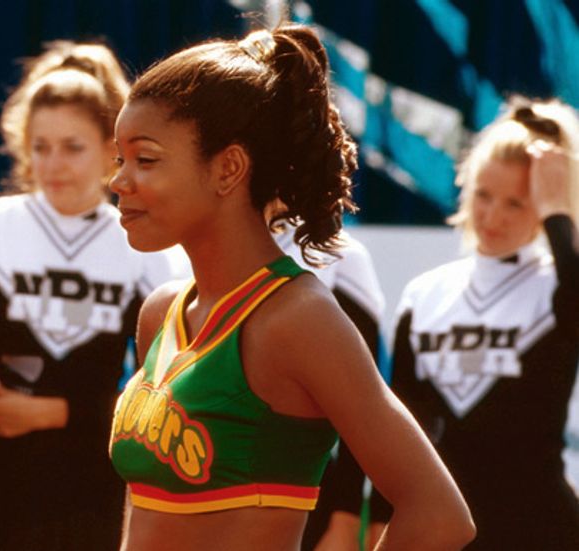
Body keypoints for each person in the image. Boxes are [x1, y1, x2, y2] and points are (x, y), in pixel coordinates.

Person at [107, 23, 476, 551]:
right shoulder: (161, 312)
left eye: (145, 160)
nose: (119, 181)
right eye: (119, 159)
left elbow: (439, 515)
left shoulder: (298, 318)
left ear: (228, 168)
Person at [0, 41, 184, 551]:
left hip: (93, 495)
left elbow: (172, 395)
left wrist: (58, 412)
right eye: (40, 146)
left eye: (73, 147)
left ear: (112, 150)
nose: (54, 163)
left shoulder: (144, 246)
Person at [360, 97, 579, 550]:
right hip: (444, 533)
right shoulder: (425, 294)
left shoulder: (557, 285)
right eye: (483, 195)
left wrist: (560, 212)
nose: (493, 217)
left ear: (543, 206)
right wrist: (382, 520)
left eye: (515, 204)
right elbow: (401, 426)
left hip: (540, 531)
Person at [271, 224, 387, 551]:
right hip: (204, 486)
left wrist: (346, 517)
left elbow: (364, 404)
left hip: (304, 491)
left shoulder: (339, 254)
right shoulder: (192, 246)